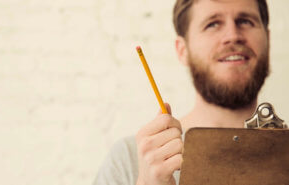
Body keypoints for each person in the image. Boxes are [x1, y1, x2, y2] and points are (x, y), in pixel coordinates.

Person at [93, 0, 270, 184]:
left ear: (268, 40)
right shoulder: (128, 161)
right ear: (182, 50)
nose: (233, 35)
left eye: (245, 21)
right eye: (213, 24)